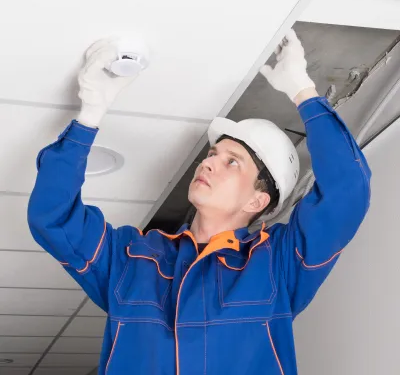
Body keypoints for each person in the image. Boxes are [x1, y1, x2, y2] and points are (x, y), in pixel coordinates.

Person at [27, 30, 371, 375]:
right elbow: (53, 218)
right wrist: (88, 118)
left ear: (258, 200)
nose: (208, 163)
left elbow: (348, 189)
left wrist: (302, 90)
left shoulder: (278, 264)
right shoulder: (132, 258)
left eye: (231, 161)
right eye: (212, 154)